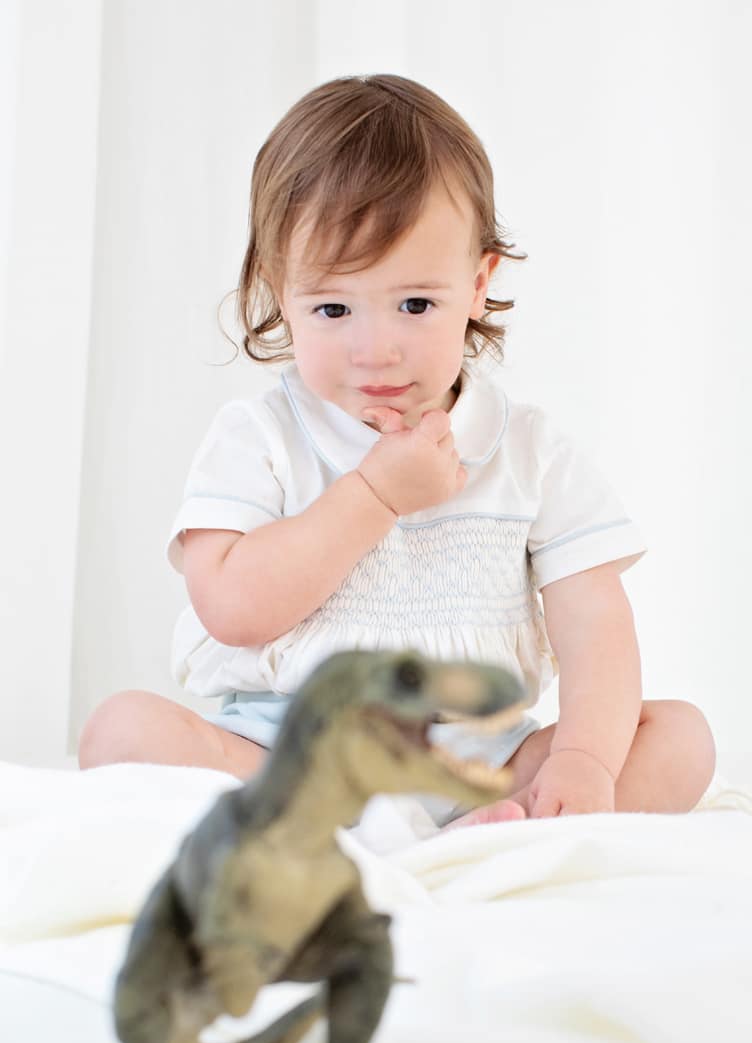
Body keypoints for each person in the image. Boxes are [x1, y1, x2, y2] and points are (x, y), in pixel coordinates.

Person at [79, 74, 716, 829]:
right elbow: (233, 608)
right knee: (121, 732)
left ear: (478, 284)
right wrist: (372, 495)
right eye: (333, 307)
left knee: (679, 737)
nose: (375, 349)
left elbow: (595, 623)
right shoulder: (260, 439)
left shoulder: (527, 450)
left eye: (415, 304)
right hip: (287, 759)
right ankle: (351, 832)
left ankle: (503, 822)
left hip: (482, 764)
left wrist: (582, 758)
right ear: (279, 292)